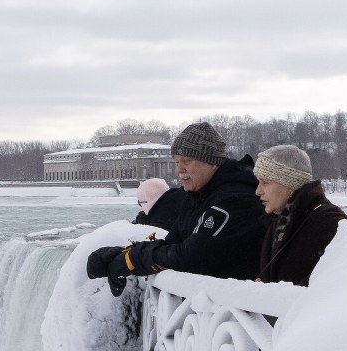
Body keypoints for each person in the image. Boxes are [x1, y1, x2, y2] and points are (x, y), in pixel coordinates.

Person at [87, 122, 265, 295]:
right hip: (209, 312)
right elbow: (173, 244)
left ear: (213, 163)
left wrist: (132, 259)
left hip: (238, 312)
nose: (179, 170)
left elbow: (191, 257)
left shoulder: (235, 199)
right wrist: (125, 252)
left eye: (186, 161)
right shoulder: (198, 195)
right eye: (176, 162)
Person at [252, 145, 347, 286]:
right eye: (258, 182)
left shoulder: (331, 221)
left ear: (290, 184)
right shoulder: (279, 220)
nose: (258, 191)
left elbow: (335, 284)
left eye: (265, 182)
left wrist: (277, 296)